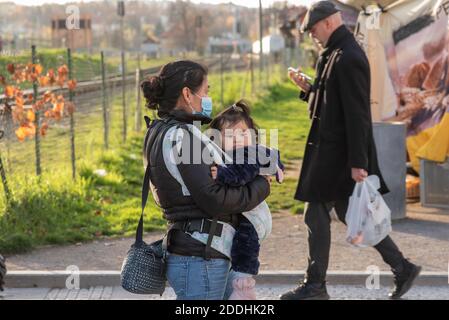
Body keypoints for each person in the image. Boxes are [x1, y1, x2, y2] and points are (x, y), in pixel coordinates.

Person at [280, 1, 421, 300]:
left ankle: (315, 286)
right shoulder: (332, 54)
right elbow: (331, 102)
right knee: (348, 214)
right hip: (331, 153)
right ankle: (402, 268)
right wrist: (309, 89)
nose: (311, 35)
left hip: (339, 156)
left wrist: (360, 163)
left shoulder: (349, 57)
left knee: (315, 213)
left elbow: (358, 115)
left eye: (313, 29)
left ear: (330, 22)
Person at [140, 60, 271, 300]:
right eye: (206, 90)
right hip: (200, 257)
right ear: (187, 94)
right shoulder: (183, 137)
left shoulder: (160, 131)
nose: (209, 97)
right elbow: (215, 199)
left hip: (196, 252)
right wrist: (262, 185)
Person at [208, 100, 284, 299]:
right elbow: (272, 155)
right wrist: (276, 167)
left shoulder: (247, 153)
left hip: (254, 218)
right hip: (255, 212)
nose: (238, 139)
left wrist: (221, 174)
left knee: (244, 248)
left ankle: (244, 286)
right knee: (241, 246)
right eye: (230, 135)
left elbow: (239, 175)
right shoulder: (246, 152)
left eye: (243, 133)